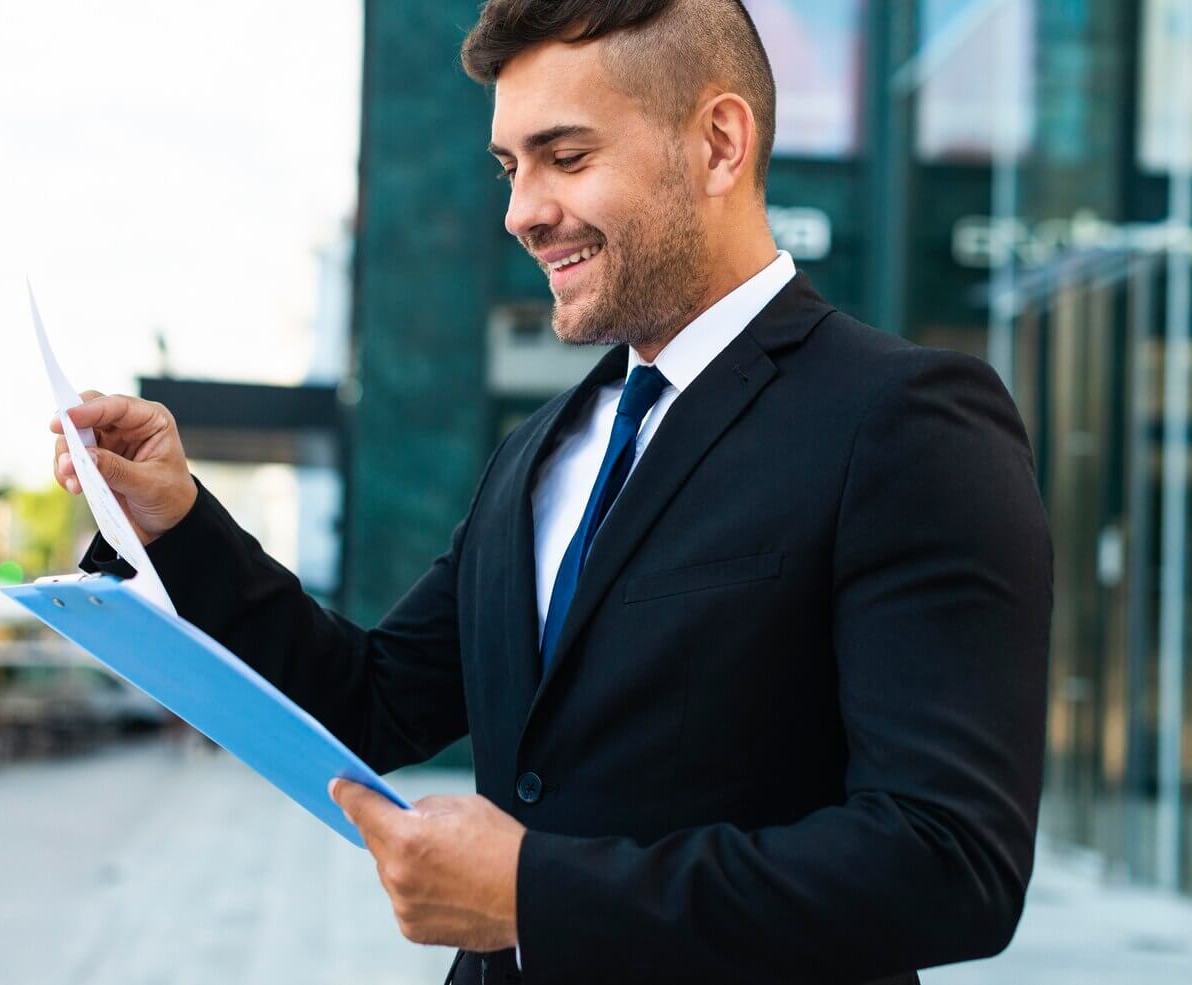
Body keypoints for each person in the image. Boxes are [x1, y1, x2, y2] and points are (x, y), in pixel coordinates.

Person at [51, 2, 1053, 982]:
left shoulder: (904, 421)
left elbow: (949, 861)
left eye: (566, 157)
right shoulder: (541, 450)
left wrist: (538, 894)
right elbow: (372, 700)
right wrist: (177, 524)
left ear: (718, 144)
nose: (521, 211)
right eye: (510, 166)